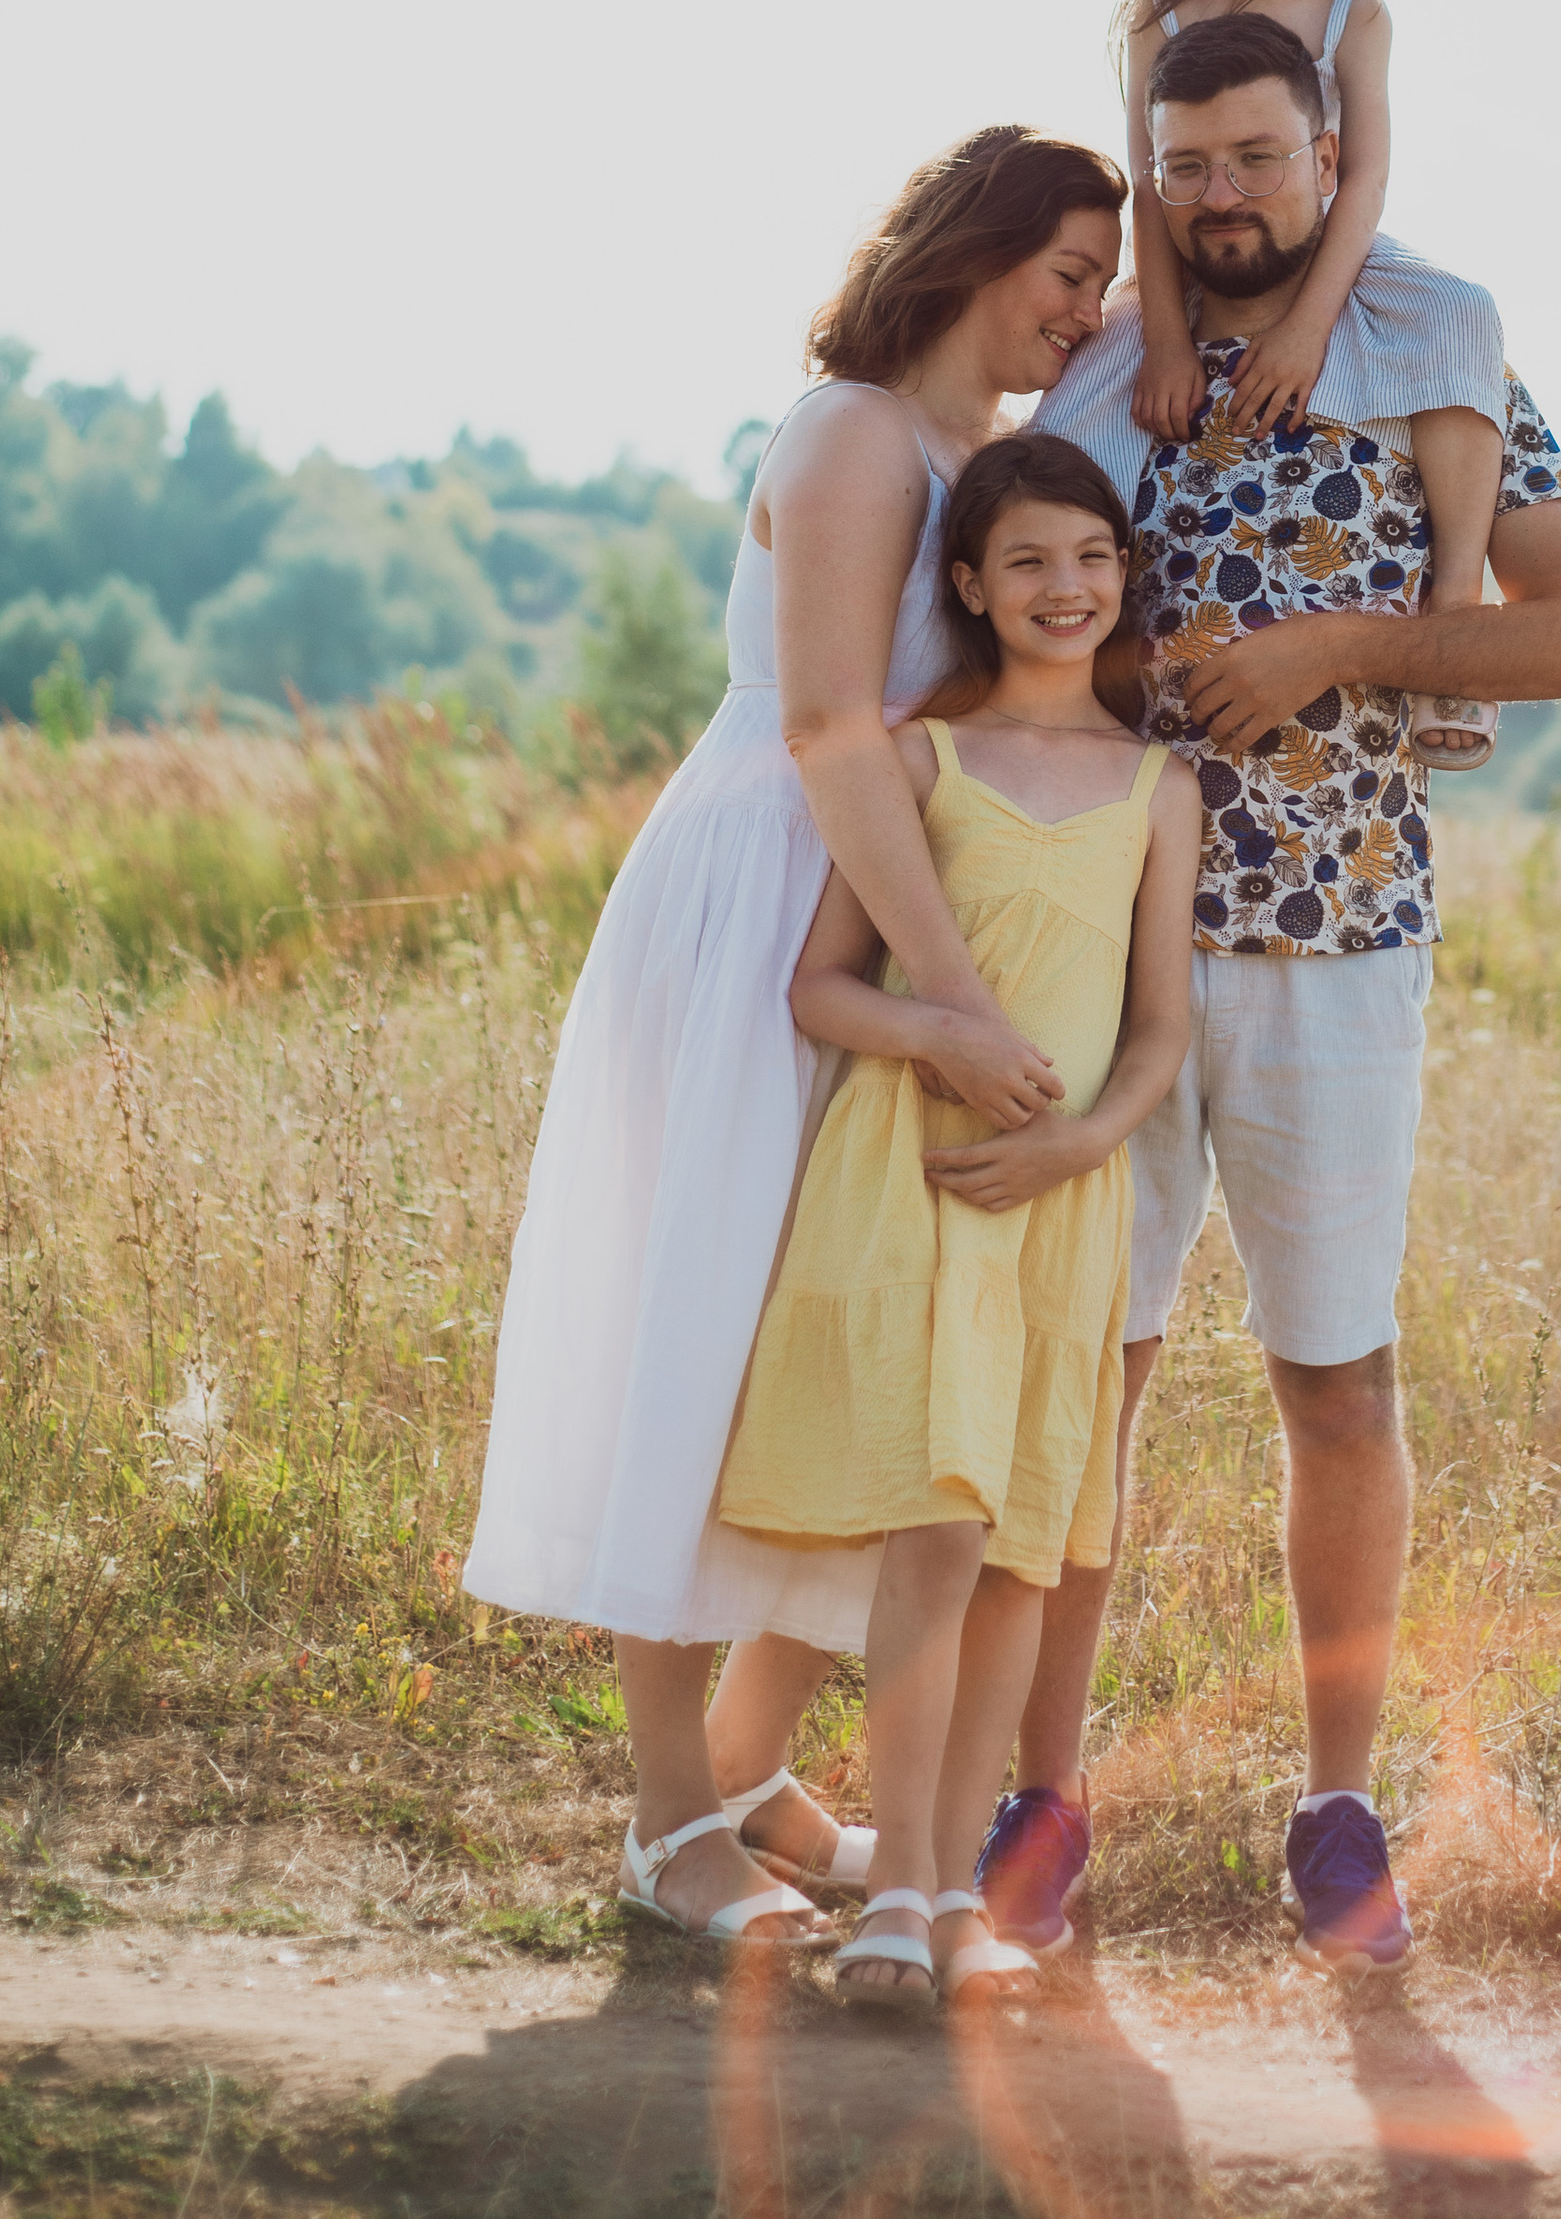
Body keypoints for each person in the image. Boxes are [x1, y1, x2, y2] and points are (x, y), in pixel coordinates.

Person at [1004, 7, 1561, 1977]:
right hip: (1104, 945)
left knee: (1337, 1383)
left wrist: (1334, 646)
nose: (1221, 196)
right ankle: (1037, 1797)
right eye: (1186, 164)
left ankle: (1338, 1811)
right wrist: (1145, 680)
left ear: (1328, 154)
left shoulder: (1429, 349)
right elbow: (1002, 610)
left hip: (1344, 942)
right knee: (1081, 1377)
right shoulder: (1104, 369)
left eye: (1257, 157)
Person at [462, 127, 1126, 1945]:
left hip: (881, 909)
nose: (1086, 311)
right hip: (772, 891)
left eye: (1098, 281)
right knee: (704, 1329)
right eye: (1069, 270)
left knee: (820, 1347)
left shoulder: (978, 459)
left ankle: (750, 1776)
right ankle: (668, 1820)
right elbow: (833, 727)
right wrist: (953, 1000)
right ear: (979, 249)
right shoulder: (849, 430)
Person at [717, 436, 1198, 2007]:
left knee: (1018, 1557)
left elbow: (1160, 1029)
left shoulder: (1160, 786)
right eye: (1030, 560)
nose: (1069, 586)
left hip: (1059, 1203)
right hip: (917, 1184)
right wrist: (943, 1037)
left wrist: (1084, 1142)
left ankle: (949, 1891)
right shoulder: (925, 760)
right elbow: (822, 985)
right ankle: (899, 1893)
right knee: (934, 1529)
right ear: (973, 586)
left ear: (1124, 573)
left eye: (1094, 556)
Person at [1116, 0, 1507, 765]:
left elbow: (1363, 178)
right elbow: (1149, 181)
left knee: (1461, 314)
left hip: (1328, 251)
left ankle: (1456, 604)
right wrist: (1166, 340)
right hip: (1185, 248)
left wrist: (1303, 332)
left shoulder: (1352, 12)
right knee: (1075, 409)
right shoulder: (1154, 9)